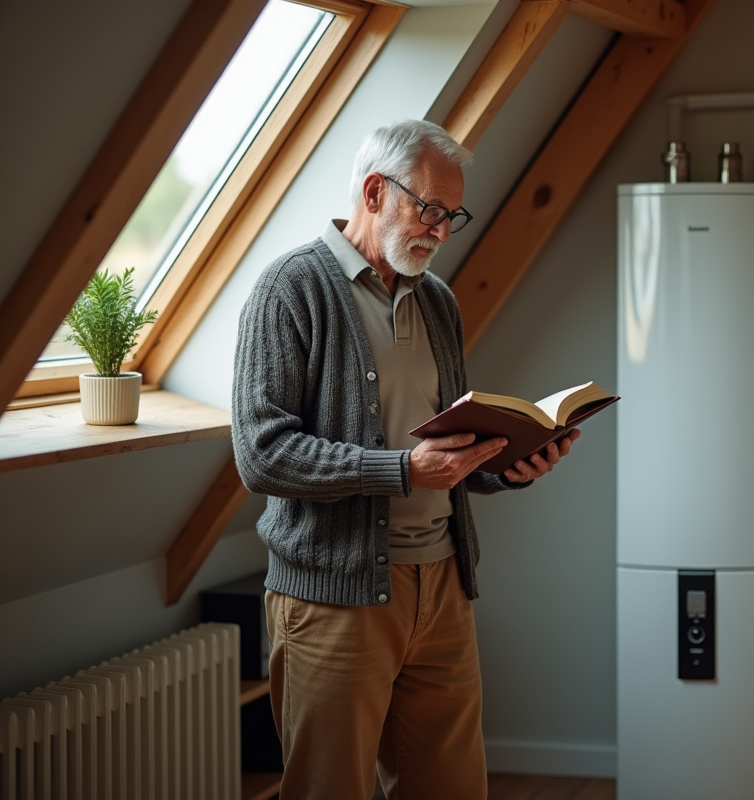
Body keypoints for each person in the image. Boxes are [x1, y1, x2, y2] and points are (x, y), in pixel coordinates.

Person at [230, 119, 579, 800]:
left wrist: (503, 467)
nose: (442, 232)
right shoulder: (289, 289)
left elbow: (440, 451)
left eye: (453, 215)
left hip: (443, 586)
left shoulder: (438, 301)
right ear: (372, 191)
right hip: (333, 599)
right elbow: (261, 454)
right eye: (430, 209)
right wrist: (400, 471)